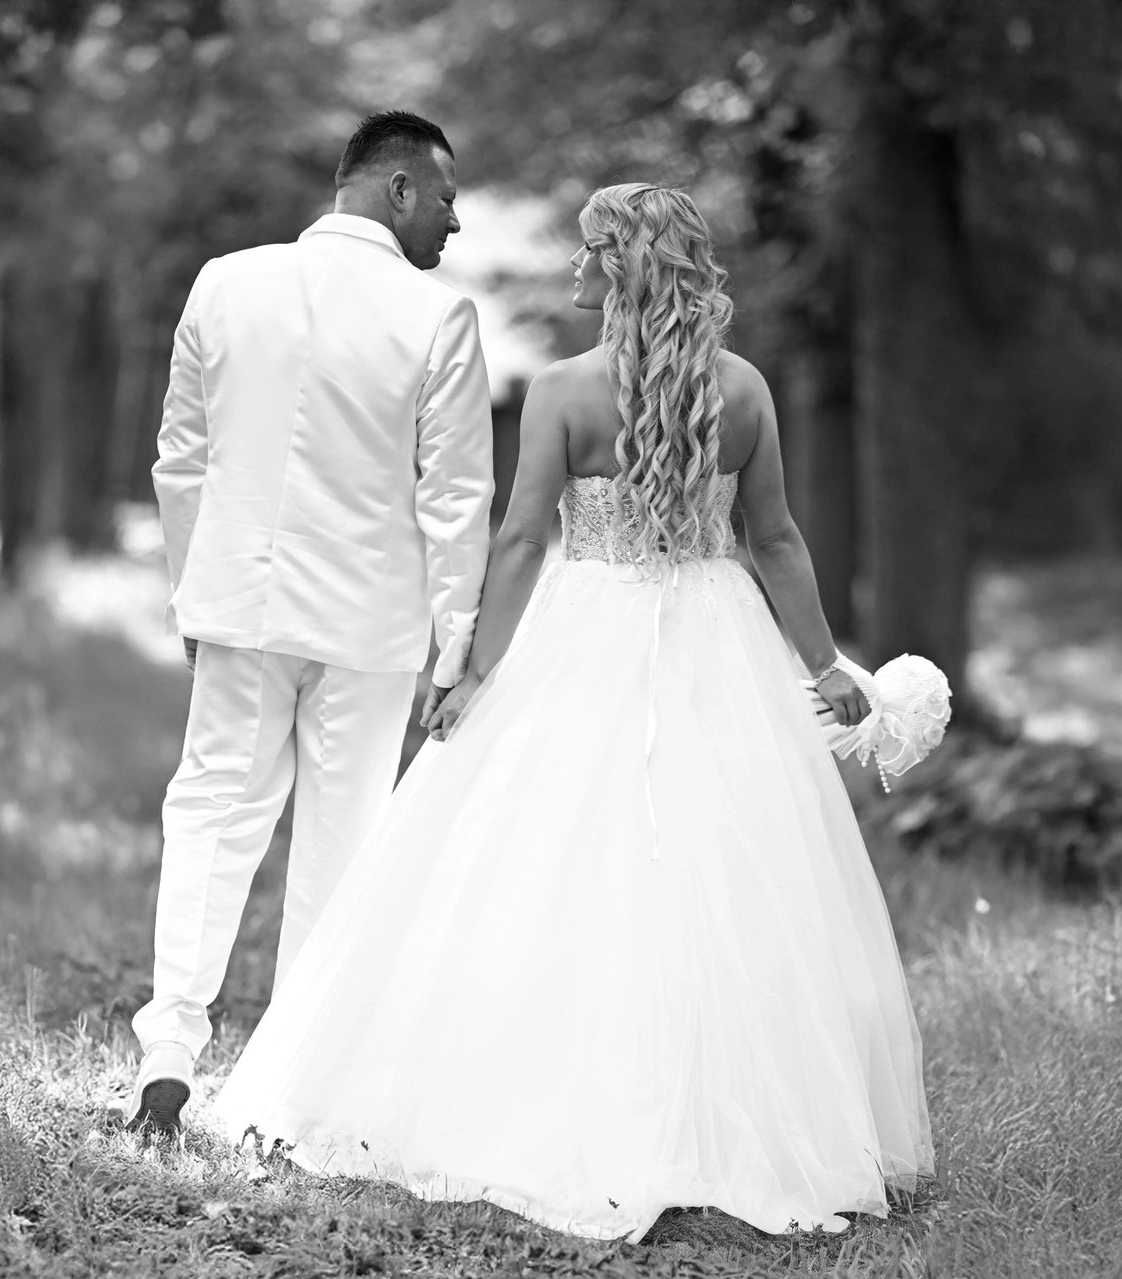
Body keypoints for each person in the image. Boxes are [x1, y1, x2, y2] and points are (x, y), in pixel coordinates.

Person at [211, 183, 935, 1241]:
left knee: (548, 851)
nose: (579, 266)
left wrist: (472, 671)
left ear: (627, 265)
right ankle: (715, 1111)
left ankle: (563, 1098)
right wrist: (822, 663)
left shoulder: (562, 391)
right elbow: (774, 538)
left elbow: (517, 541)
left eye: (594, 251)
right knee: (721, 859)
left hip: (585, 625)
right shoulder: (740, 388)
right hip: (716, 633)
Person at [129, 111, 494, 1132]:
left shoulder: (224, 283)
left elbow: (181, 458)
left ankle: (170, 1044)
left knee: (211, 814)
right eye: (447, 199)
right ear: (399, 189)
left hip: (241, 604)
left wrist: (192, 591)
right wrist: (456, 645)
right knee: (343, 842)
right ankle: (289, 1087)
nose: (454, 223)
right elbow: (456, 497)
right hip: (369, 622)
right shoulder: (438, 316)